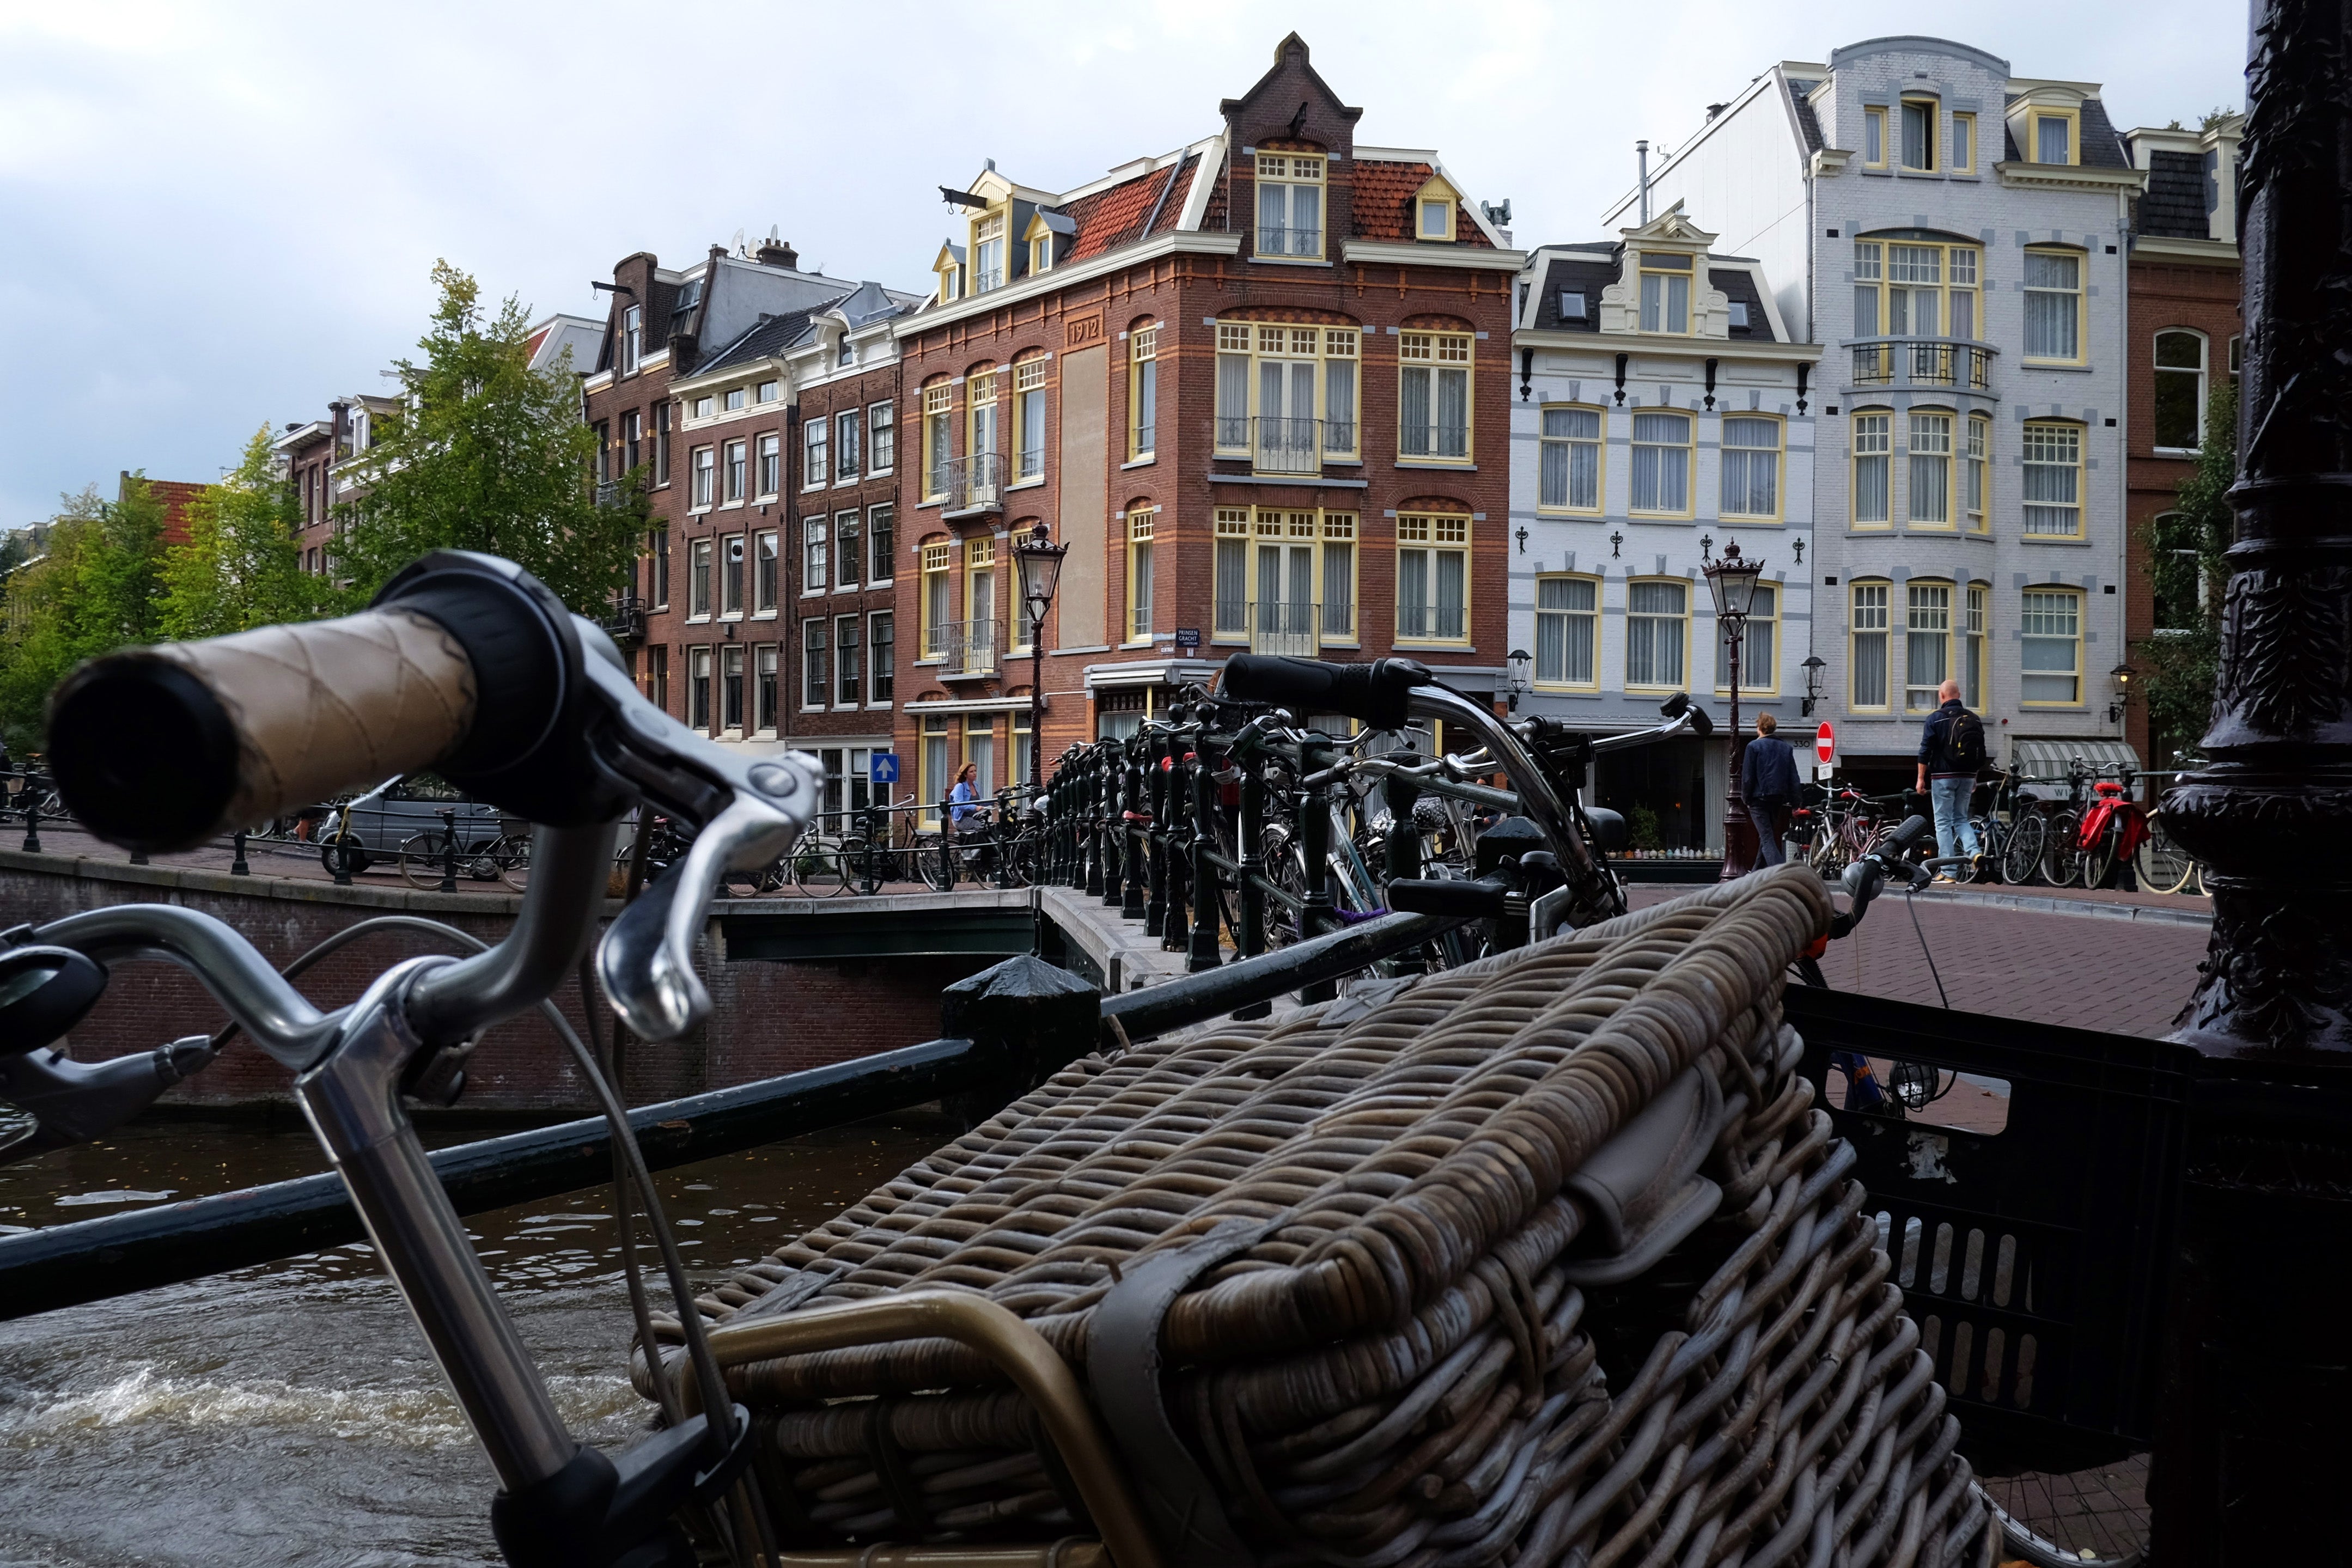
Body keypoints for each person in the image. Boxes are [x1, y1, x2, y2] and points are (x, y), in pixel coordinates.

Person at [1916, 678, 1985, 877]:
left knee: (1943, 823)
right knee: (1961, 819)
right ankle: (1975, 853)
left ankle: (1948, 871)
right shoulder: (1974, 718)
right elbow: (1980, 751)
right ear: (1960, 695)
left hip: (1943, 777)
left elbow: (1925, 751)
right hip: (1967, 776)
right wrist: (1974, 776)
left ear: (1942, 696)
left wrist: (1921, 779)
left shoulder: (1935, 719)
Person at [1739, 712, 1801, 868]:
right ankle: (1756, 874)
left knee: (1766, 838)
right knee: (1767, 837)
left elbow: (1748, 777)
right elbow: (1794, 778)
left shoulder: (1753, 747)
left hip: (1758, 800)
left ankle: (1782, 872)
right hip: (1778, 800)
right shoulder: (1786, 748)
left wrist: (1746, 799)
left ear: (1760, 728)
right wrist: (1796, 804)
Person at [947, 762, 984, 833]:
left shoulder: (975, 785)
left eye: (975, 771)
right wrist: (975, 807)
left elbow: (978, 801)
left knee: (989, 825)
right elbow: (959, 805)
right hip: (961, 819)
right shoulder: (960, 787)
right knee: (980, 826)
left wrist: (993, 802)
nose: (974, 773)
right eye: (971, 772)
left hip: (974, 816)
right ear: (965, 774)